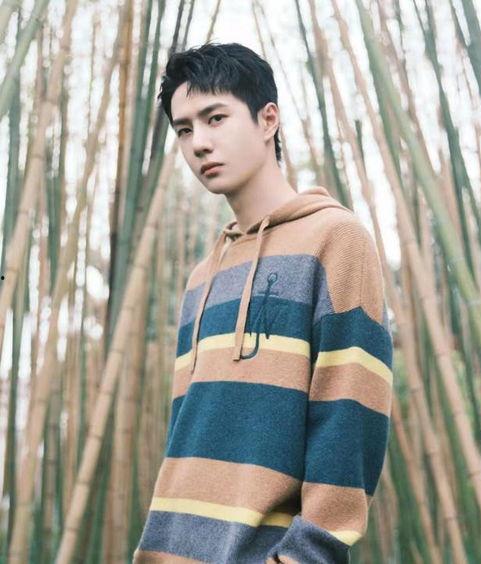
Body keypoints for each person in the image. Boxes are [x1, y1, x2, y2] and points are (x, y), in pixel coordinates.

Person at [133, 41, 393, 564]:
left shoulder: (335, 240)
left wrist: (304, 555)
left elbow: (350, 421)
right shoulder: (201, 278)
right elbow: (188, 438)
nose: (199, 143)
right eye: (184, 130)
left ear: (267, 119)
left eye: (215, 118)